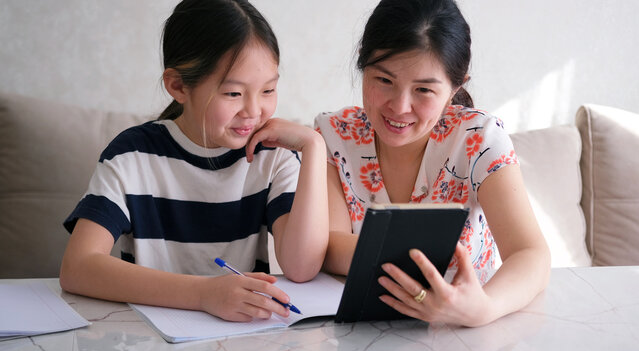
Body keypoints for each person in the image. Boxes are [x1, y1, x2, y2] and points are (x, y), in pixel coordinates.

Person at [59, 0, 328, 323]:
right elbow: (78, 267)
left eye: (268, 89)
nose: (254, 111)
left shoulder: (272, 156)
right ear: (178, 86)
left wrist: (313, 147)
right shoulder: (132, 155)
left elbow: (302, 268)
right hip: (147, 336)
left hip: (244, 339)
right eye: (233, 94)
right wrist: (203, 295)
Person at [316, 0, 550, 327]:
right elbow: (325, 247)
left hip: (465, 332)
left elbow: (531, 254)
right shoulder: (333, 134)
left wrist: (485, 308)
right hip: (361, 330)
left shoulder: (479, 138)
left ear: (456, 87)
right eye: (384, 80)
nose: (399, 107)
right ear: (362, 66)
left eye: (424, 89)